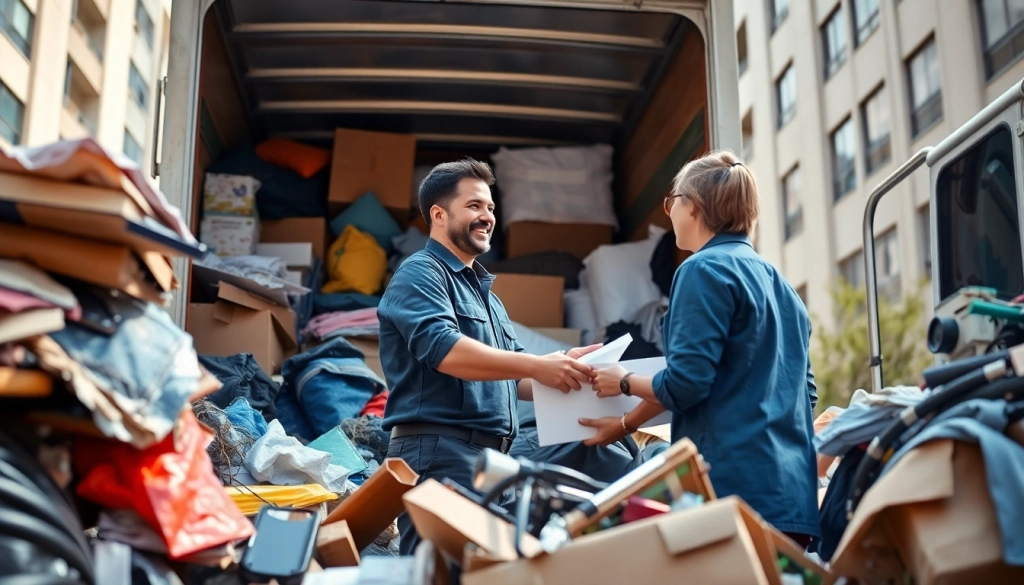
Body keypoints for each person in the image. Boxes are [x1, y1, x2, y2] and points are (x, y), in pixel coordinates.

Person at [582, 150, 821, 547]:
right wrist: (625, 425)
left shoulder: (701, 270)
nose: (668, 212)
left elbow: (687, 384)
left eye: (671, 202)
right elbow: (804, 394)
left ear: (690, 206)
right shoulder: (783, 287)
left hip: (730, 491)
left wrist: (623, 381)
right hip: (792, 500)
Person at [377, 158, 600, 556]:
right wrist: (538, 363)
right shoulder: (420, 273)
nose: (487, 217)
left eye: (491, 208)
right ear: (439, 215)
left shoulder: (489, 299)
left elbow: (515, 377)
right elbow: (443, 349)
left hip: (490, 462)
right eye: (475, 206)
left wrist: (567, 370)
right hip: (439, 453)